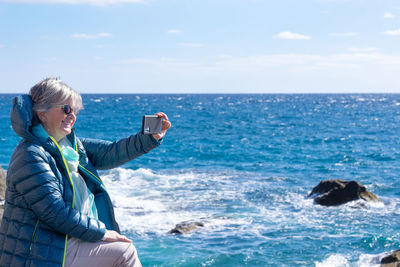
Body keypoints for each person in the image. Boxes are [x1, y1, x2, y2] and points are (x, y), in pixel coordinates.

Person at [0, 77, 171, 267]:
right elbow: (54, 211)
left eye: (75, 110)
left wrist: (149, 138)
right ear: (42, 113)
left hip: (62, 240)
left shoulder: (70, 146)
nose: (72, 115)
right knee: (124, 252)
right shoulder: (31, 155)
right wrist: (102, 232)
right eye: (66, 108)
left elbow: (111, 152)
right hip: (38, 253)